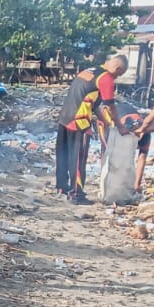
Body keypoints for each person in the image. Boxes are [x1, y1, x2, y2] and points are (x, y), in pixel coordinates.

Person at [53, 56, 125, 202]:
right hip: (79, 122)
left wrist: (103, 121)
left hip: (64, 118)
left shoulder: (89, 71)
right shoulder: (106, 78)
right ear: (118, 69)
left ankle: (61, 188)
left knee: (63, 154)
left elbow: (91, 102)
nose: (116, 78)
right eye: (119, 75)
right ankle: (76, 194)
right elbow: (109, 106)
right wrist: (120, 126)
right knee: (78, 158)